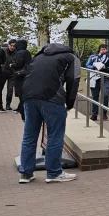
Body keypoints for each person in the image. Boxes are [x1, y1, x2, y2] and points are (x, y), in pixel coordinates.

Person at [17, 42, 81, 184]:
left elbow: (28, 76)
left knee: (29, 136)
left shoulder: (38, 56)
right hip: (52, 98)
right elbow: (74, 80)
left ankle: (26, 174)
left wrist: (23, 103)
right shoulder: (71, 57)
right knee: (55, 136)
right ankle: (54, 173)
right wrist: (69, 103)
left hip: (29, 97)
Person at [85, 44, 109, 122]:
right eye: (102, 49)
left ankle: (104, 113)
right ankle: (94, 114)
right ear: (99, 49)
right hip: (95, 78)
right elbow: (87, 65)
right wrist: (94, 67)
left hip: (105, 78)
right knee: (95, 96)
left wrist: (105, 68)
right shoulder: (93, 56)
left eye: (105, 49)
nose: (104, 51)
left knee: (105, 95)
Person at [10, 39, 32, 120]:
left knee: (21, 96)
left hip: (20, 76)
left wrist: (12, 65)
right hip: (27, 76)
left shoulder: (20, 53)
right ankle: (24, 112)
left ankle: (23, 115)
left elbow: (18, 64)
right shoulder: (27, 52)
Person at [4, 39, 18, 111]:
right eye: (11, 45)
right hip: (3, 72)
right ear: (8, 45)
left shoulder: (17, 52)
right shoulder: (3, 51)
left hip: (12, 73)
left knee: (10, 89)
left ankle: (8, 104)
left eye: (14, 46)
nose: (12, 47)